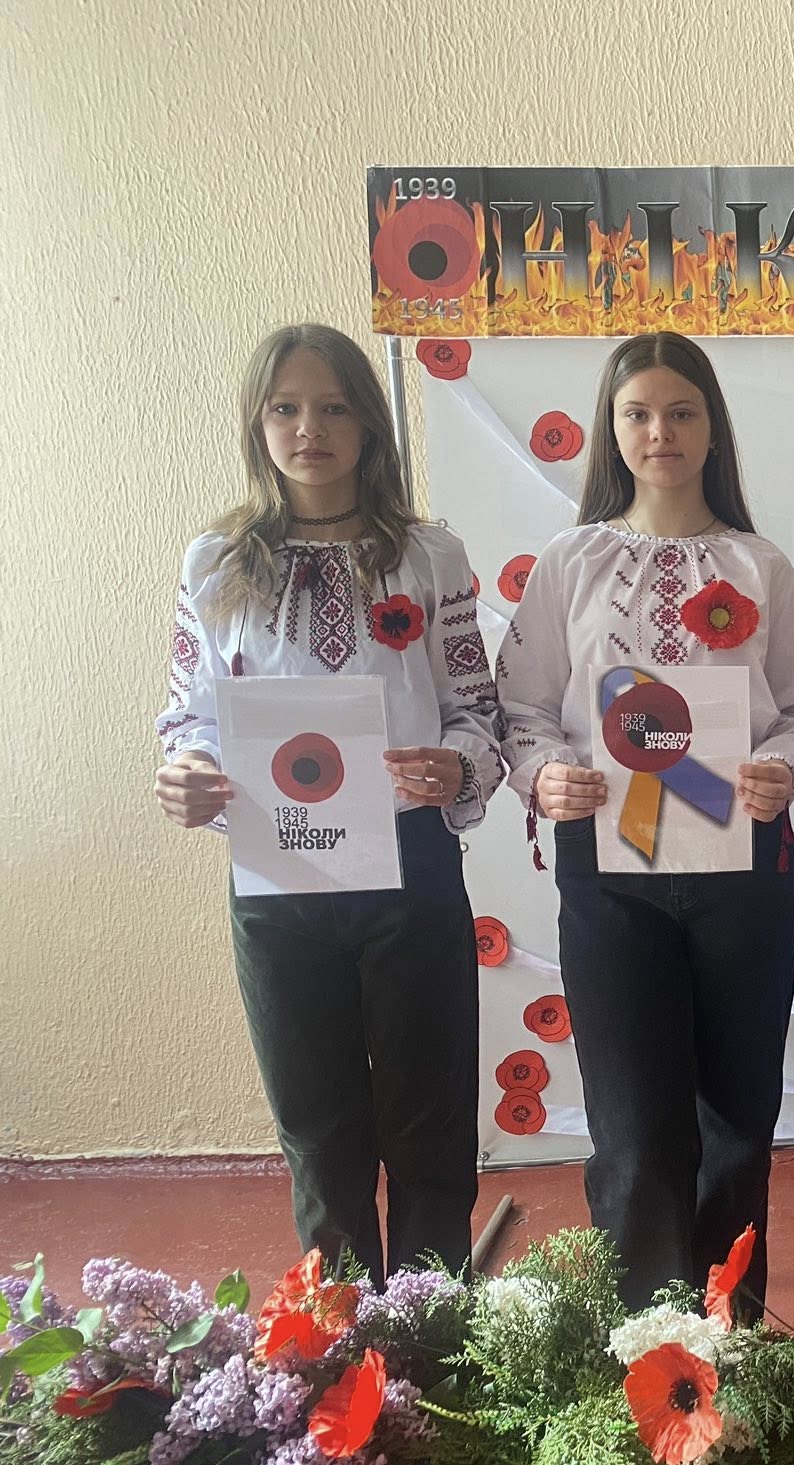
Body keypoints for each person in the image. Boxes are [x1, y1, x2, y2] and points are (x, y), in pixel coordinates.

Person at [154, 322, 502, 1280]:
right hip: (279, 874)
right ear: (257, 423)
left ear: (370, 423)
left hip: (410, 866)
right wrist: (188, 771)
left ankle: (432, 1332)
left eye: (334, 406)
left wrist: (457, 768)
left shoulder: (429, 556)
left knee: (429, 1122)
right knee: (317, 1126)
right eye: (286, 408)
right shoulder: (216, 564)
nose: (310, 429)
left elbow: (476, 708)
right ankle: (343, 1343)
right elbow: (188, 716)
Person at [495, 332, 794, 1311]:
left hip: (744, 871)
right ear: (611, 429)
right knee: (634, 1135)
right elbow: (523, 709)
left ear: (712, 428)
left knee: (736, 1129)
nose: (660, 432)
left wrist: (782, 769)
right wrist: (546, 776)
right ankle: (643, 1348)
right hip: (611, 874)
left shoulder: (759, 565)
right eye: (637, 414)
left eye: (681, 412)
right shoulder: (571, 562)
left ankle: (731, 1342)